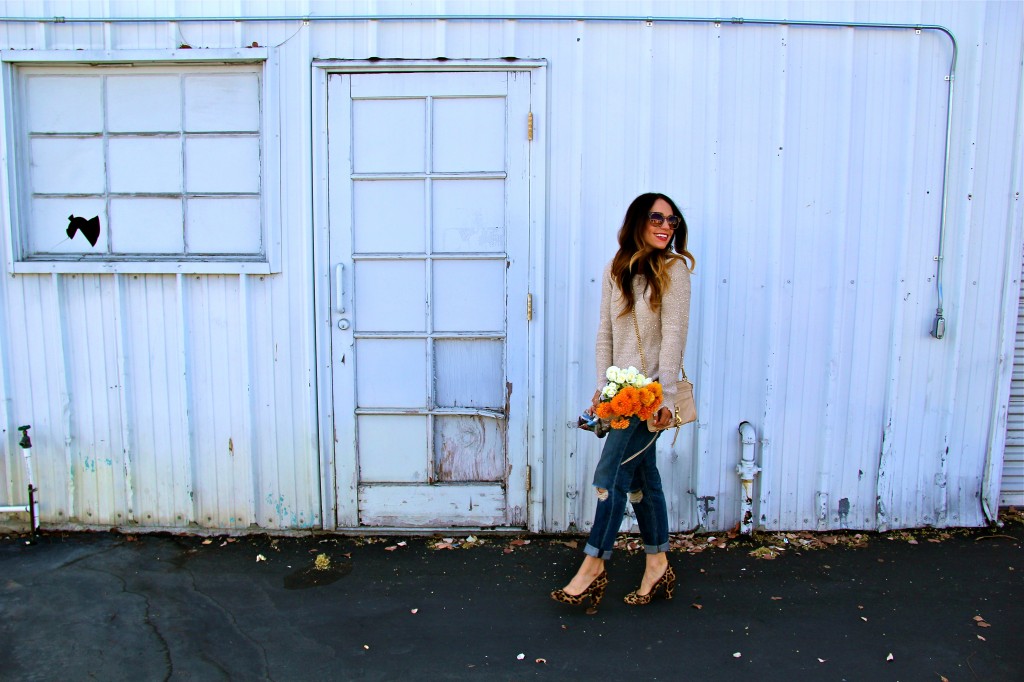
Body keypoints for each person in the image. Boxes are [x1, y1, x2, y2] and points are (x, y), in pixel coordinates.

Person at [551, 192, 694, 609]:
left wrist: (664, 395)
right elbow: (605, 333)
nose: (666, 226)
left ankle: (593, 565)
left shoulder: (675, 270)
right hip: (618, 394)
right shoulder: (617, 269)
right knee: (641, 480)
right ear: (638, 220)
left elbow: (673, 337)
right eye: (657, 217)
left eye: (672, 221)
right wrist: (602, 387)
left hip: (649, 396)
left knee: (609, 475)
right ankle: (657, 563)